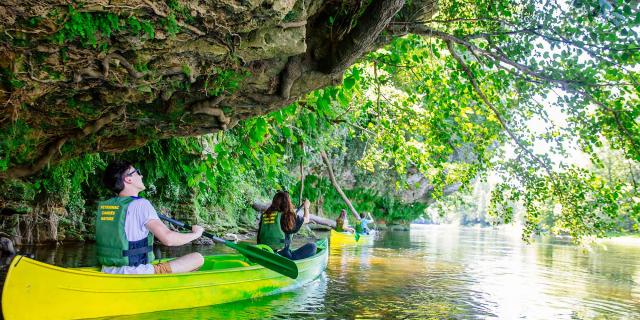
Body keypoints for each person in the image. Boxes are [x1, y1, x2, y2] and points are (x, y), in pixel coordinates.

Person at [96, 160, 205, 275]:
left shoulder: (108, 205)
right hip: (135, 272)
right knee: (198, 258)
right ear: (128, 179)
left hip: (107, 269)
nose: (141, 175)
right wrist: (196, 234)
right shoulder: (141, 204)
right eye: (137, 172)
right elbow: (169, 239)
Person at [257, 191, 317, 260]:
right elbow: (306, 219)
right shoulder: (287, 216)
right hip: (282, 256)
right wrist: (306, 207)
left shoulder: (265, 215)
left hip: (263, 252)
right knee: (313, 246)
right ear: (287, 203)